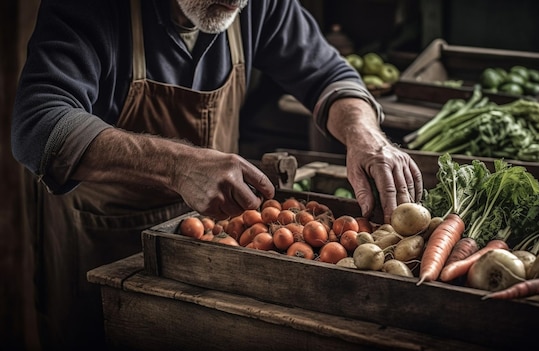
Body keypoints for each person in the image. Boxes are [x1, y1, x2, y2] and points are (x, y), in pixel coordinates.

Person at [11, 0, 423, 349]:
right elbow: (38, 125)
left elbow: (329, 75)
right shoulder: (93, 8)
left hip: (218, 245)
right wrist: (177, 164)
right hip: (107, 241)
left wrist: (364, 133)